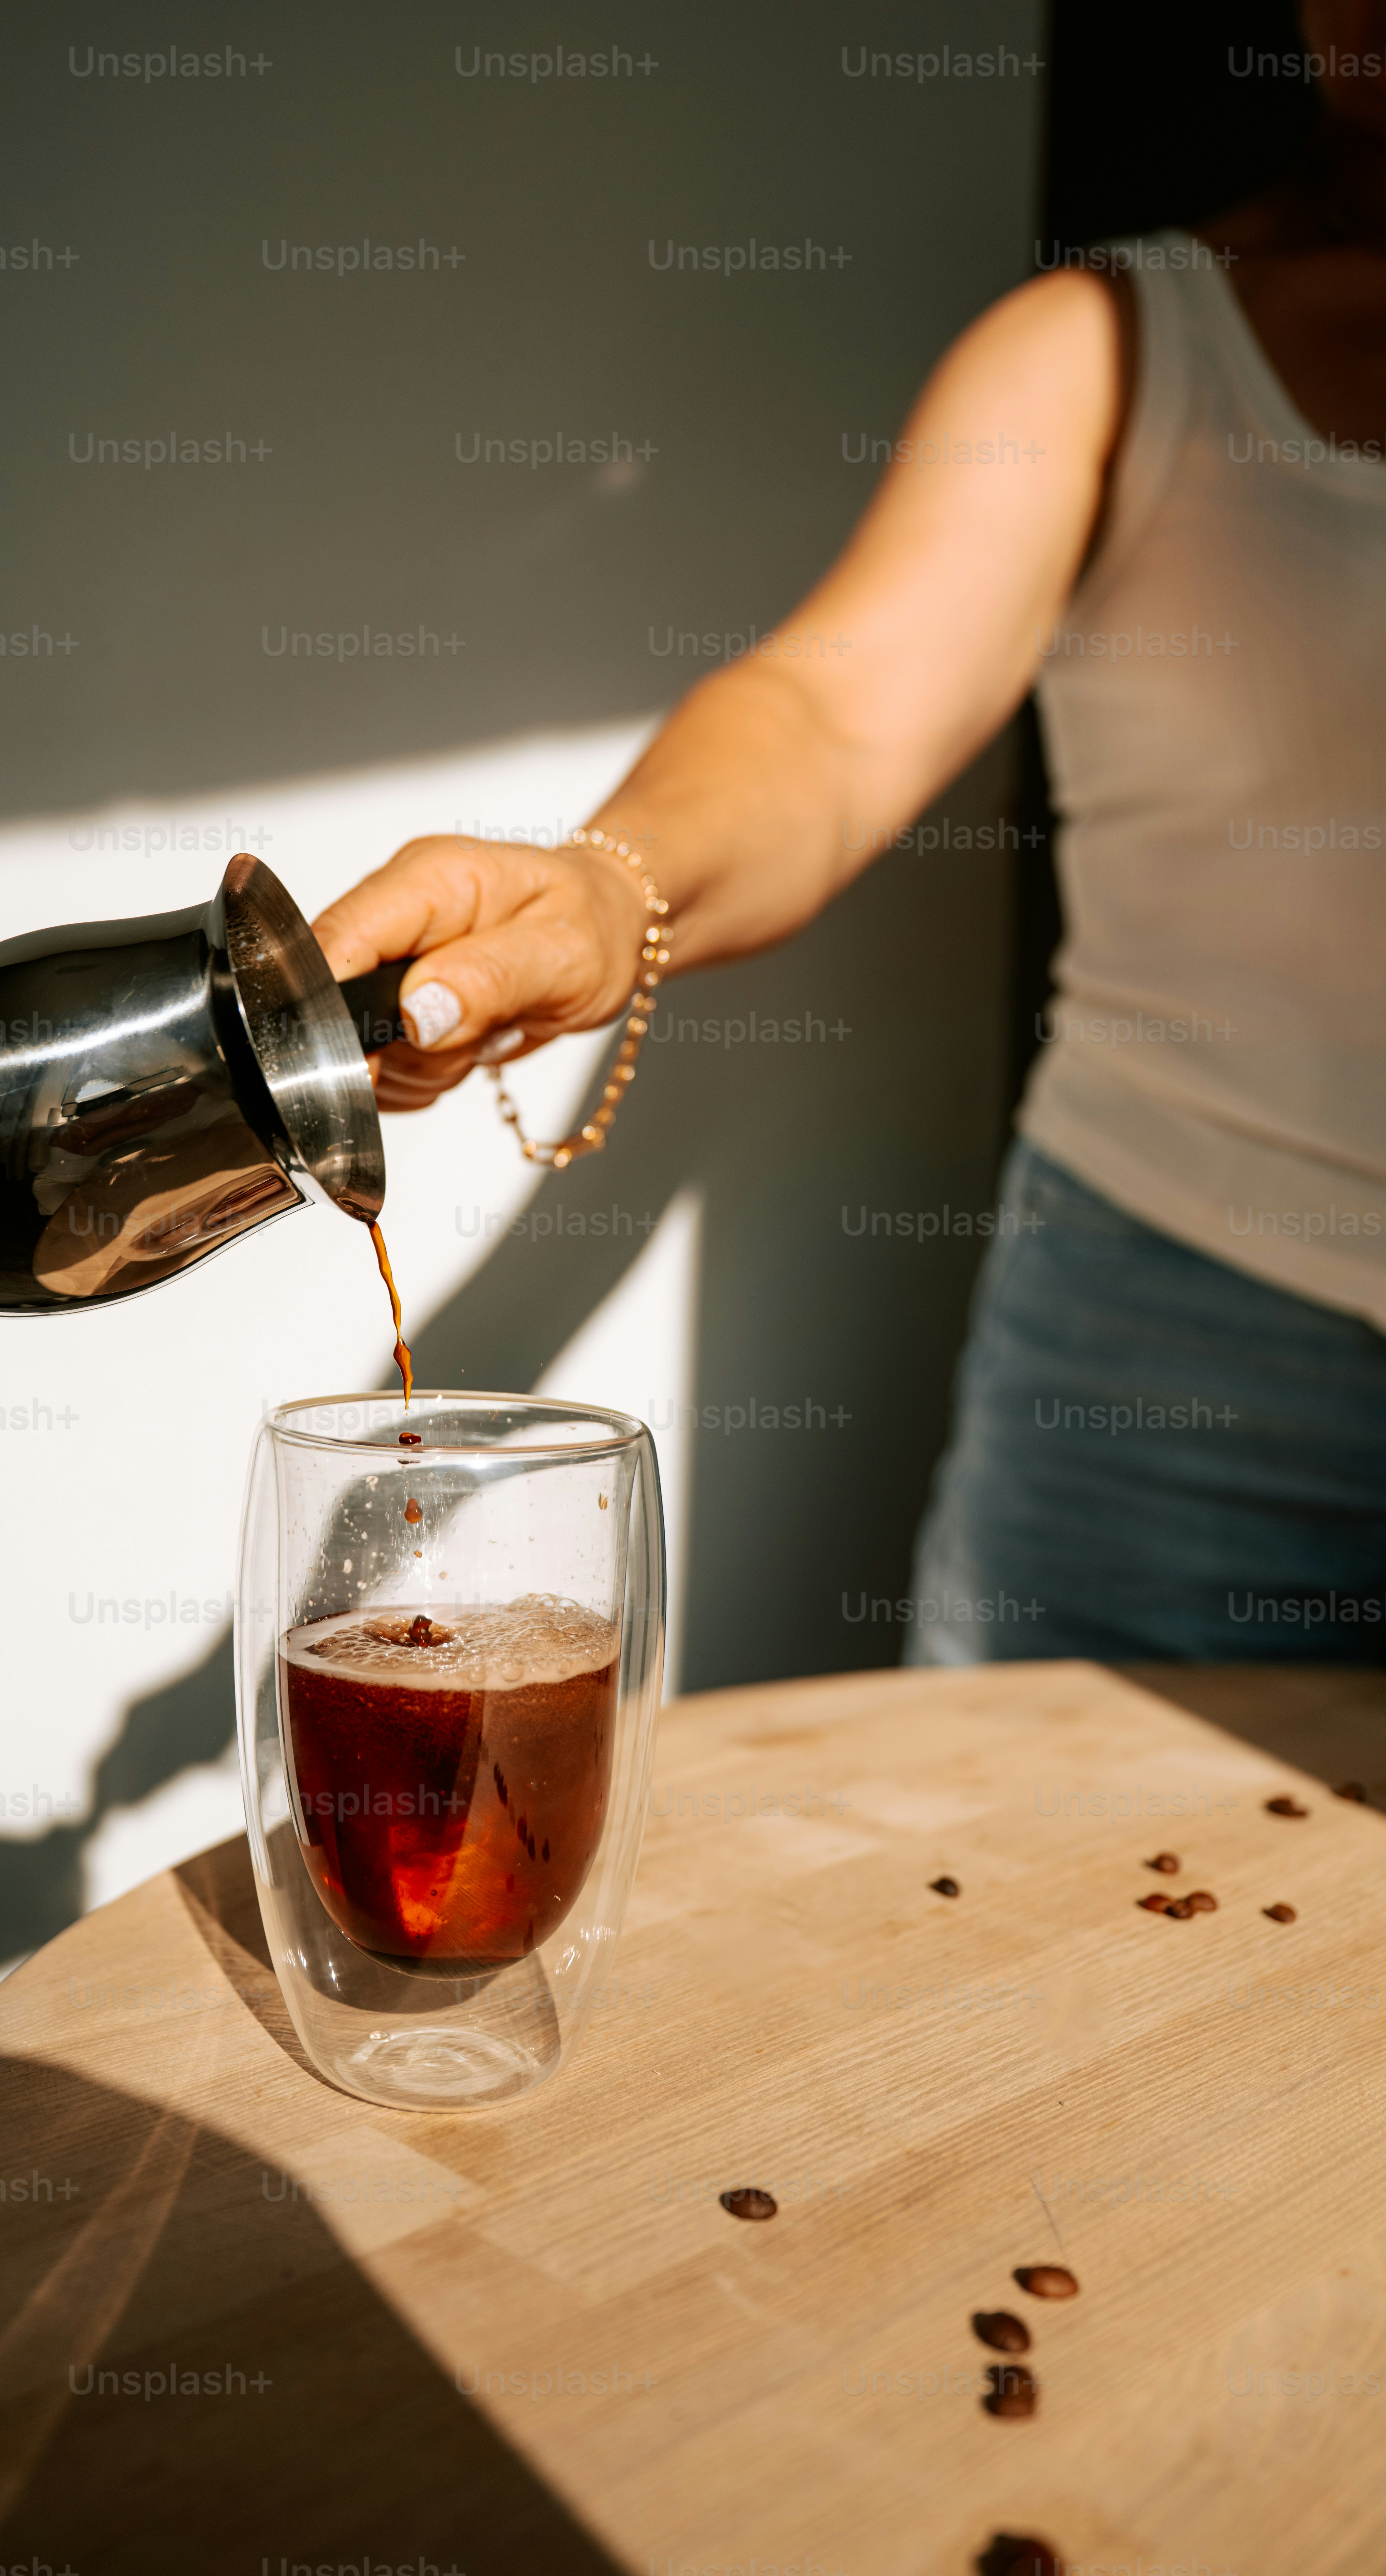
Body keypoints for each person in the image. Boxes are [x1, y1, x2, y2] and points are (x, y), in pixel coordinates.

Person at [313, 9, 1386, 1668]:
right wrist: (608, 886)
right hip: (1174, 1348)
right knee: (1053, 1915)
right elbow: (832, 716)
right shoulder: (1113, 348)